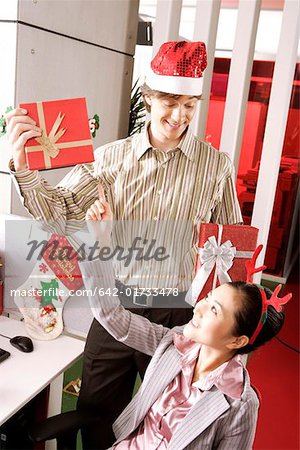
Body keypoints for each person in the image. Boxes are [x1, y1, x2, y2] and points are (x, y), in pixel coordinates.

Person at [6, 41, 243, 448]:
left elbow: (231, 242)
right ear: (149, 99)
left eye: (190, 104)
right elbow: (59, 212)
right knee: (95, 415)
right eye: (170, 101)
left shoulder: (215, 165)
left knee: (163, 419)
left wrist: (229, 323)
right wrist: (23, 168)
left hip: (178, 315)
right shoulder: (111, 159)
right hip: (117, 306)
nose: (179, 115)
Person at [77, 194, 291, 449]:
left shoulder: (240, 404)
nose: (198, 307)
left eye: (214, 309)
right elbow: (111, 315)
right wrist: (100, 241)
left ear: (238, 340)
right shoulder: (175, 343)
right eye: (207, 297)